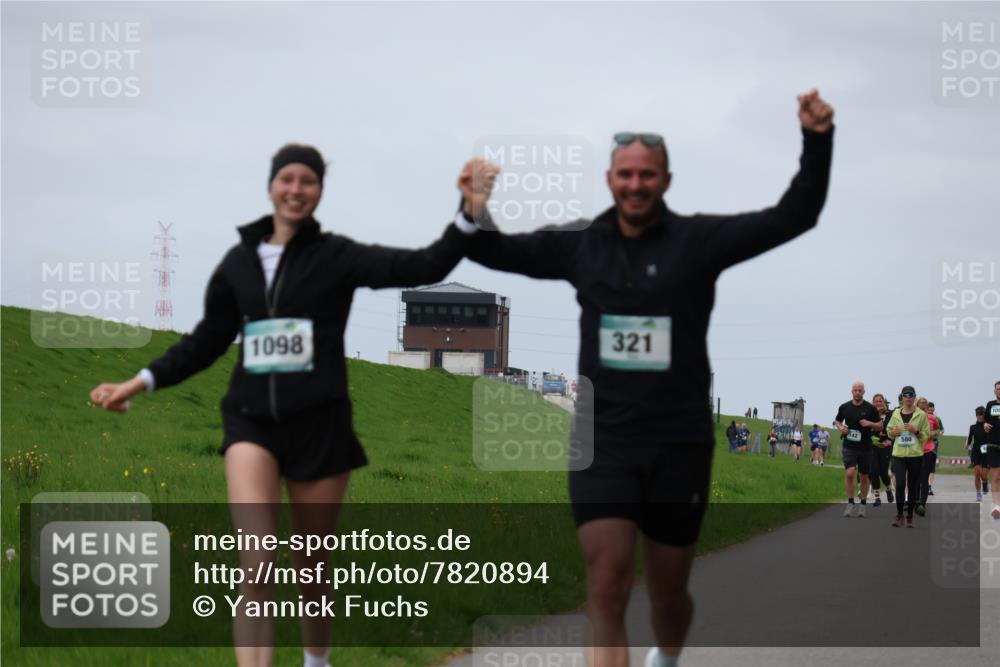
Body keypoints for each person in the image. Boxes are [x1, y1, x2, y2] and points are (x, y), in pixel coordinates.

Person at [458, 91, 834, 667]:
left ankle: (667, 655)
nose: (636, 185)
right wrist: (473, 208)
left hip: (678, 443)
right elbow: (497, 251)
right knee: (606, 582)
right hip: (604, 441)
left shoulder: (698, 243)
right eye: (626, 174)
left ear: (667, 180)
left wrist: (816, 138)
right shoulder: (583, 246)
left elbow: (794, 216)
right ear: (610, 179)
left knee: (667, 593)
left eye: (647, 175)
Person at [89, 144, 479, 667]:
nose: (296, 189)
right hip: (251, 424)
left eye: (308, 181)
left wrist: (468, 213)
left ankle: (317, 661)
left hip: (320, 427)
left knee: (311, 568)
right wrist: (138, 382)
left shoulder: (338, 256)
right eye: (287, 179)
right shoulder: (239, 263)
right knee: (257, 566)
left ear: (319, 191)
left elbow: (423, 264)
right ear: (272, 185)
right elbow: (207, 340)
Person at [834, 381, 882, 518]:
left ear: (864, 392)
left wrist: (869, 423)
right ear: (852, 391)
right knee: (850, 473)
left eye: (860, 390)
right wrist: (841, 427)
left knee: (864, 476)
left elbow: (880, 426)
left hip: (865, 447)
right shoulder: (844, 407)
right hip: (849, 445)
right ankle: (850, 502)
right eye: (855, 390)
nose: (857, 392)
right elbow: (837, 420)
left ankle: (863, 504)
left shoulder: (870, 408)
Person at [887, 386, 931, 527]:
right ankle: (899, 514)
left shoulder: (921, 415)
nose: (908, 397)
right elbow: (889, 431)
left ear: (914, 397)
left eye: (910, 395)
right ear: (902, 397)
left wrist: (916, 431)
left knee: (912, 486)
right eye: (905, 395)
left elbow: (926, 435)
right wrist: (893, 432)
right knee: (900, 484)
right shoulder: (895, 413)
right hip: (898, 454)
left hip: (915, 455)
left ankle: (910, 516)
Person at [915, 397, 940, 516]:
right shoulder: (913, 418)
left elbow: (938, 429)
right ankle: (916, 501)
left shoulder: (932, 418)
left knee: (924, 478)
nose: (923, 410)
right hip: (914, 451)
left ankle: (922, 504)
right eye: (920, 407)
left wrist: (932, 433)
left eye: (924, 408)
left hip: (928, 450)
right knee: (915, 478)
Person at [869, 393, 894, 508]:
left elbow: (890, 429)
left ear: (884, 403)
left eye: (880, 401)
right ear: (873, 403)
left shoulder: (890, 414)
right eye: (876, 401)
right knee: (874, 471)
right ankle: (877, 497)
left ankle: (888, 488)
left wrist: (886, 439)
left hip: (886, 446)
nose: (878, 403)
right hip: (873, 446)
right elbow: (868, 429)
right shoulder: (869, 415)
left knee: (883, 473)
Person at [984, 380, 1000, 519]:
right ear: (995, 391)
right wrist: (985, 424)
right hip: (993, 444)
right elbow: (986, 421)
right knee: (996, 476)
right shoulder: (990, 405)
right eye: (998, 389)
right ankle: (996, 506)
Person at [967, 406, 990, 502]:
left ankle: (985, 482)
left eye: (982, 414)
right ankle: (978, 493)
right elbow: (970, 438)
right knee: (977, 473)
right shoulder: (973, 427)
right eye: (978, 414)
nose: (980, 416)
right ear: (976, 415)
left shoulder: (988, 426)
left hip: (986, 452)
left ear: (985, 415)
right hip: (976, 451)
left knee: (984, 475)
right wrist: (967, 444)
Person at [926, 401, 943, 495]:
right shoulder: (922, 417)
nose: (931, 412)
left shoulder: (937, 419)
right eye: (929, 410)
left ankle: (929, 487)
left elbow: (941, 429)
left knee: (931, 466)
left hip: (934, 443)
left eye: (932, 410)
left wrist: (939, 432)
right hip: (923, 444)